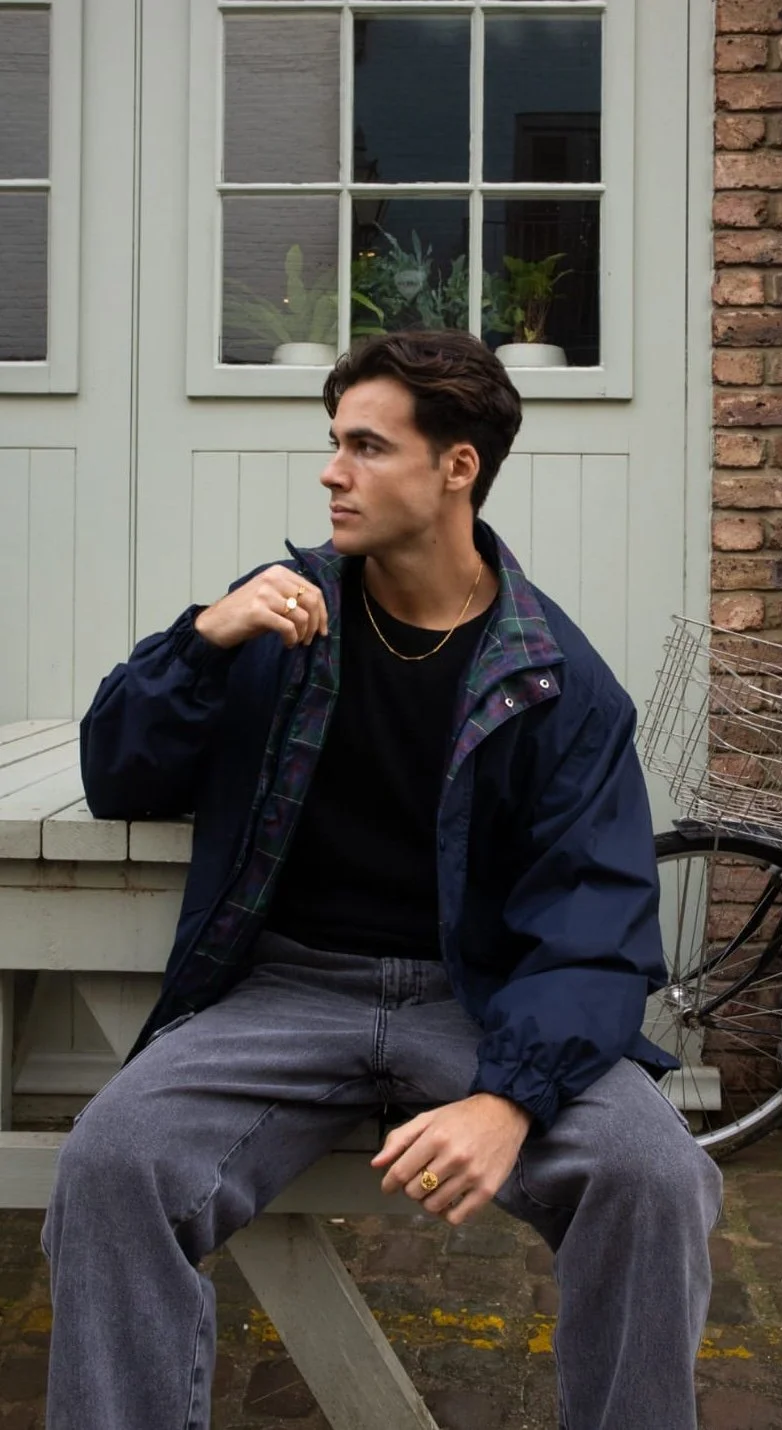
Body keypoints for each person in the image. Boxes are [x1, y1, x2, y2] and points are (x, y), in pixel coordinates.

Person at [43, 331, 721, 1430]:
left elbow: (593, 922)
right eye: (333, 442)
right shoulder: (280, 617)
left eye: (365, 446)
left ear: (456, 466)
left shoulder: (556, 680)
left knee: (656, 1178)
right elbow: (118, 775)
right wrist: (203, 641)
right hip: (283, 989)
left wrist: (509, 1097)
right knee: (111, 1165)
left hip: (480, 1004)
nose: (331, 472)